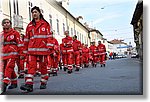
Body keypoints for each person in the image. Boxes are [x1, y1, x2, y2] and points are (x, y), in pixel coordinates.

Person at [20, 6, 52, 92]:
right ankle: (29, 84)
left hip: (43, 49)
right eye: (33, 12)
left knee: (43, 67)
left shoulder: (45, 24)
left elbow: (49, 37)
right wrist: (24, 52)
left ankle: (43, 82)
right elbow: (26, 39)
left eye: (35, 12)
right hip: (32, 50)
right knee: (31, 67)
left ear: (39, 13)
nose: (34, 14)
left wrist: (49, 47)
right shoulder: (29, 25)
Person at [1, 18, 24, 92]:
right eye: (4, 23)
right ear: (2, 25)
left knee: (9, 67)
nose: (6, 24)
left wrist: (21, 53)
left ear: (10, 24)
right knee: (5, 68)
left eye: (8, 22)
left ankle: (5, 83)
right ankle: (14, 82)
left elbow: (20, 44)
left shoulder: (15, 33)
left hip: (12, 54)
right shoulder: (1, 34)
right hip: (3, 55)